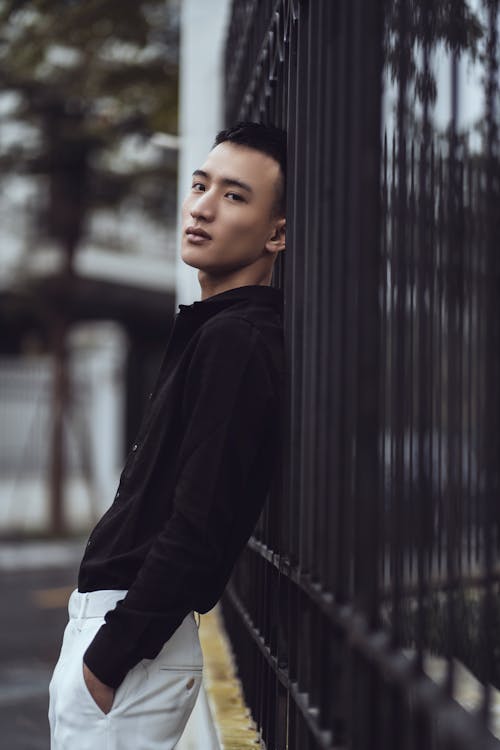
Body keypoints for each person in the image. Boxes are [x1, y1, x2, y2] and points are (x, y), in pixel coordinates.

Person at [48, 120, 286, 749]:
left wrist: (109, 659)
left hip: (129, 650)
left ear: (277, 233)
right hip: (118, 640)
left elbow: (202, 520)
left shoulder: (237, 340)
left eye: (234, 196)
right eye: (200, 185)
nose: (202, 207)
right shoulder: (216, 331)